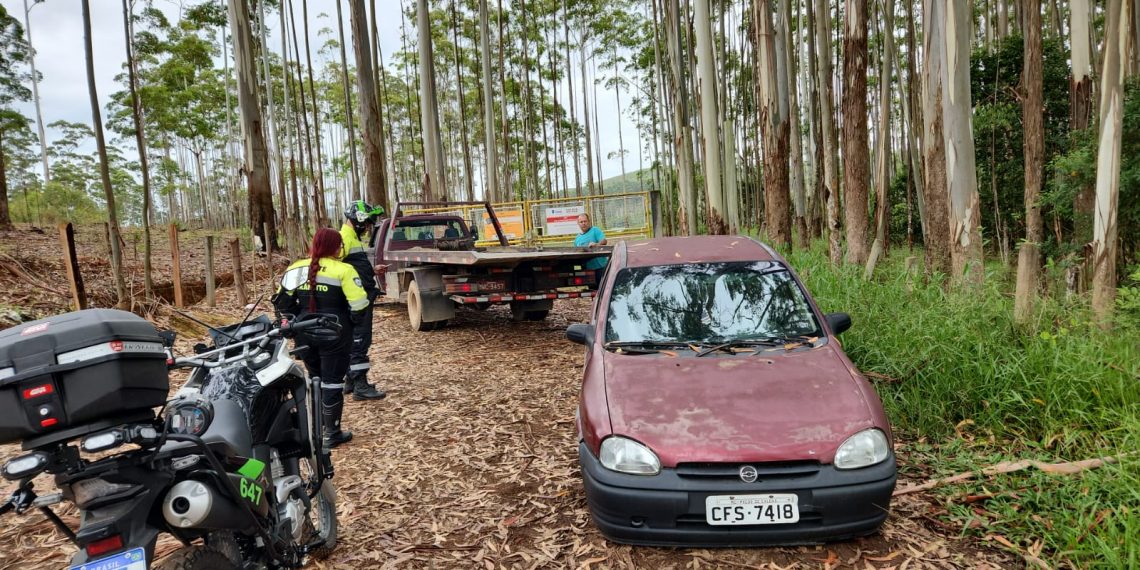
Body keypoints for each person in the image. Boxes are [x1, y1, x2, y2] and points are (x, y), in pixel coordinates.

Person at [273, 228, 369, 449]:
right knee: (332, 382)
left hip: (304, 333)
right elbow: (360, 305)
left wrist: (298, 319)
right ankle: (331, 432)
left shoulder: (295, 268)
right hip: (335, 333)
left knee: (315, 379)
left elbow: (282, 304)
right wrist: (350, 323)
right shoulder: (344, 270)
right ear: (337, 247)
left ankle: (315, 430)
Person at [339, 200, 386, 401]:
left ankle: (350, 380)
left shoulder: (351, 238)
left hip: (361, 296)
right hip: (356, 300)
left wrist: (371, 271)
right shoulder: (344, 239)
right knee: (359, 340)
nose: (369, 227)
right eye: (367, 222)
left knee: (354, 339)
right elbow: (337, 270)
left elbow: (352, 268)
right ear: (358, 220)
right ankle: (360, 385)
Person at [574, 213, 609, 285]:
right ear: (578, 223)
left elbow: (604, 241)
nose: (583, 223)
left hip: (601, 267)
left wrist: (597, 244)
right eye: (581, 222)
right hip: (588, 270)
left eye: (585, 221)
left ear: (589, 222)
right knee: (593, 291)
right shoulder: (577, 239)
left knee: (603, 289)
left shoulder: (595, 230)